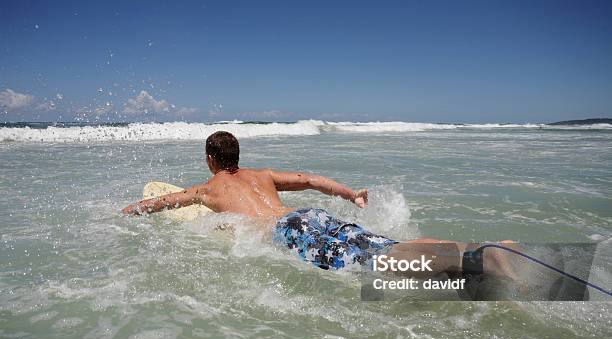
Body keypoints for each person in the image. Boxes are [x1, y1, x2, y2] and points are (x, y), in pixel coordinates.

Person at [122, 131, 520, 281]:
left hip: (288, 232)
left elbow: (161, 203)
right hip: (311, 216)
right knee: (383, 243)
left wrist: (123, 214)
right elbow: (312, 181)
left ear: (211, 159)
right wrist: (351, 195)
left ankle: (474, 261)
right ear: (236, 155)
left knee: (376, 263)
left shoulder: (206, 190)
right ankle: (478, 251)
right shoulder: (264, 175)